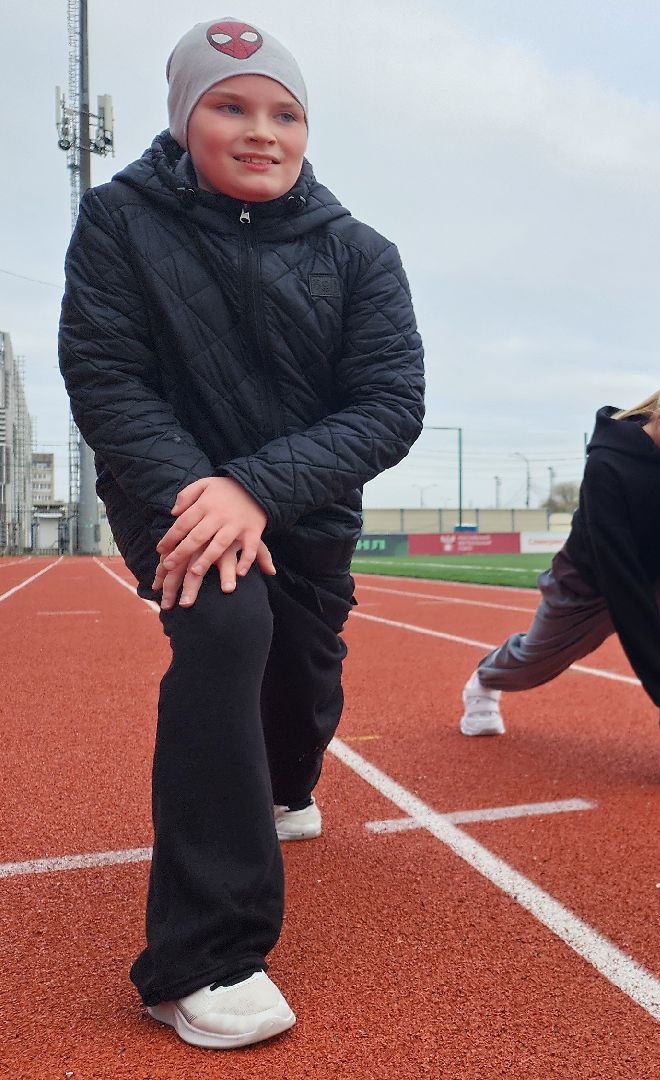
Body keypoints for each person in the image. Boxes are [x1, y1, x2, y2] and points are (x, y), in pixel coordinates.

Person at [58, 19, 425, 1048]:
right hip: (169, 493)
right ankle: (203, 958)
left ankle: (287, 786)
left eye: (285, 112)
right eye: (231, 105)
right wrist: (199, 494)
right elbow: (107, 376)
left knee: (302, 679)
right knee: (225, 629)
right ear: (184, 119)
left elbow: (390, 403)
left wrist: (257, 488)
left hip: (305, 502)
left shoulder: (361, 253)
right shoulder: (119, 222)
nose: (261, 130)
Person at [458, 357, 660, 794]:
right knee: (534, 661)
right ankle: (486, 677)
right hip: (592, 583)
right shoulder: (610, 464)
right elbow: (623, 583)